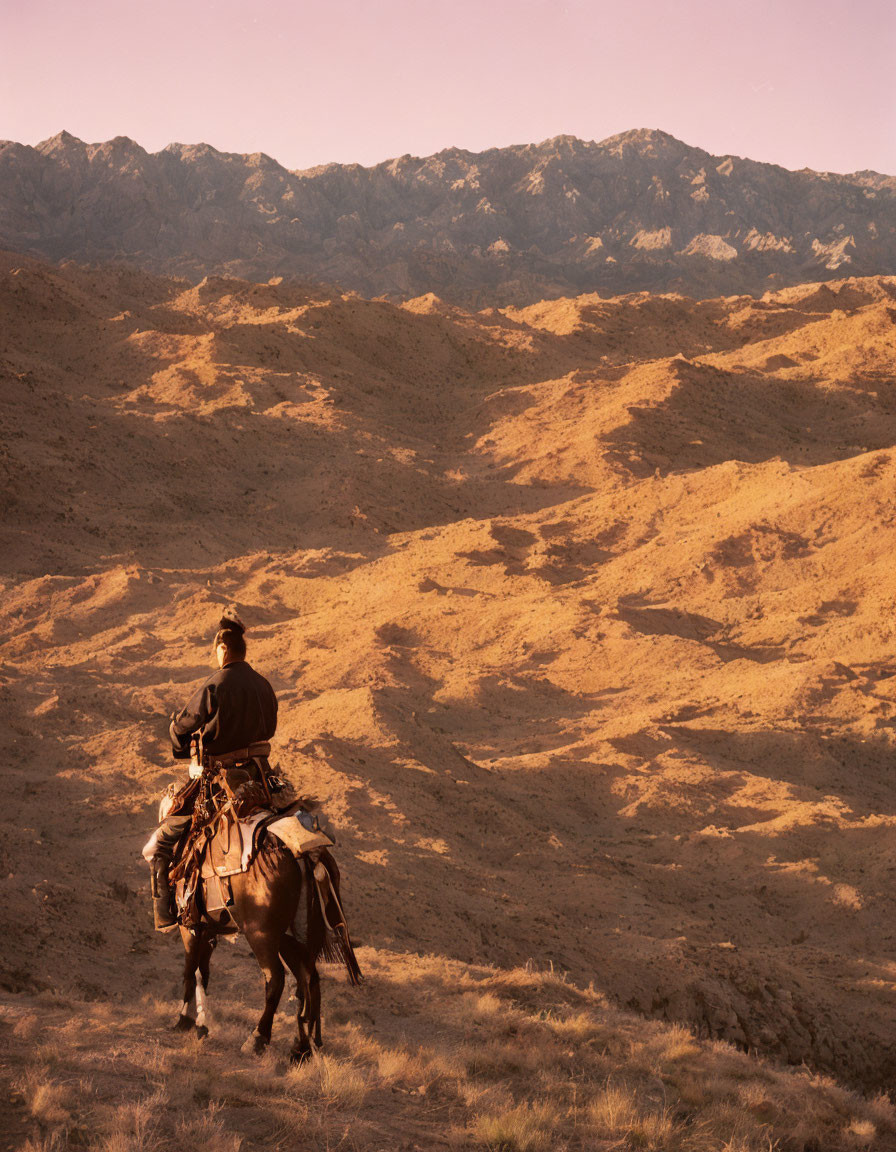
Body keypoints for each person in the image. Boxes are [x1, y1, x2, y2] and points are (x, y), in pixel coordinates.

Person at [146, 609, 278, 930]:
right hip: (262, 777)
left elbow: (181, 729)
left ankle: (165, 914)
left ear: (222, 649)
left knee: (160, 842)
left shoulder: (215, 685)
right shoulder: (264, 685)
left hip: (222, 781)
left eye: (215, 650)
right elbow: (271, 727)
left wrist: (181, 746)